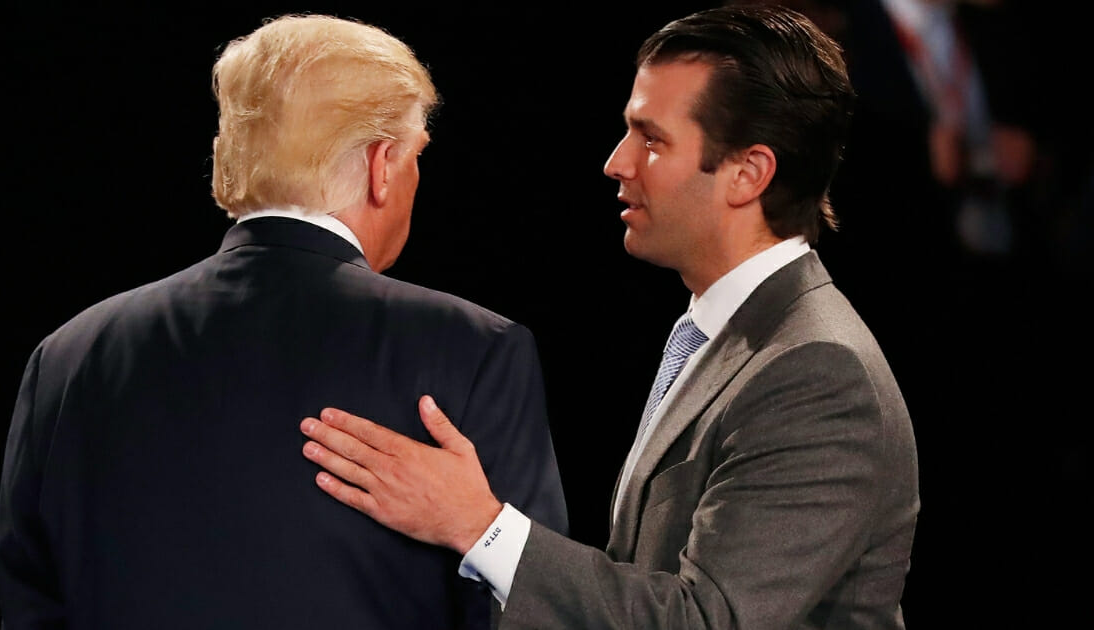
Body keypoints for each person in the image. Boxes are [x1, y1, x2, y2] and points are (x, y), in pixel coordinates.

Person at [300, 4, 919, 628]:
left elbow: (703, 621)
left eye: (652, 140)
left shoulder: (818, 372)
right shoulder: (726, 332)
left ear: (748, 174)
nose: (617, 163)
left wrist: (477, 525)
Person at [0, 13, 567, 630]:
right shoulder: (476, 350)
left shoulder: (67, 357)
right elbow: (533, 610)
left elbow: (31, 603)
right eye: (415, 156)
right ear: (382, 166)